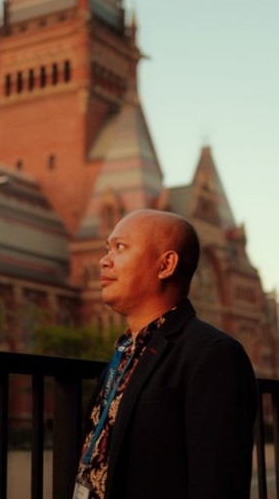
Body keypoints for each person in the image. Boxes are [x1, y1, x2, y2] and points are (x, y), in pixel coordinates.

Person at [73, 209, 258, 499]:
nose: (104, 260)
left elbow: (216, 485)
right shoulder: (125, 350)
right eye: (107, 248)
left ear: (166, 265)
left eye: (120, 247)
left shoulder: (214, 355)